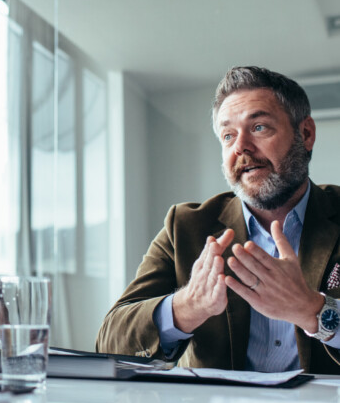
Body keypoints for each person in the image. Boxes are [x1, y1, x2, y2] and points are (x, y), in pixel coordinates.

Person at [96, 66, 340, 373]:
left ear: (305, 134)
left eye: (260, 127)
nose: (241, 147)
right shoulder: (185, 226)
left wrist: (312, 311)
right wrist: (187, 307)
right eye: (228, 135)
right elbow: (109, 341)